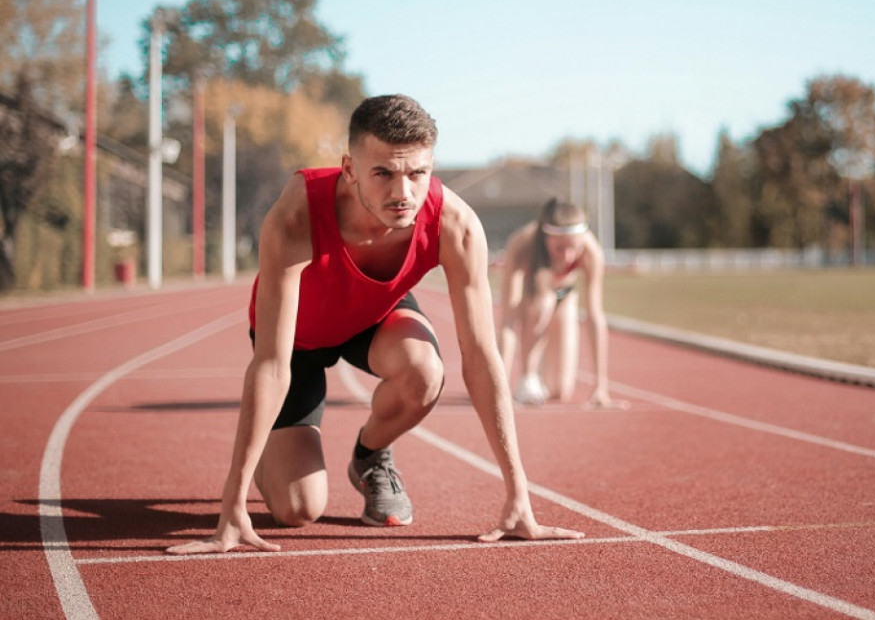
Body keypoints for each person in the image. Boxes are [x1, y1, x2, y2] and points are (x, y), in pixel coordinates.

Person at [168, 94, 582, 555]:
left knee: (426, 371)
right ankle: (269, 448)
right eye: (383, 173)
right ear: (350, 169)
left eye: (417, 173)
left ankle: (370, 456)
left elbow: (482, 358)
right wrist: (232, 505)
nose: (402, 192)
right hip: (298, 340)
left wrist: (518, 496)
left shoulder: (456, 225)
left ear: (431, 167)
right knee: (298, 510)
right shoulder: (296, 214)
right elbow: (271, 363)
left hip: (373, 319)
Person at [497, 198, 623, 409]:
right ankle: (528, 376)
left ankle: (545, 370)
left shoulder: (591, 251)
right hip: (533, 298)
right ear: (545, 240)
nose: (568, 256)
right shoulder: (522, 244)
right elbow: (508, 319)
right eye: (559, 248)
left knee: (560, 391)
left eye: (574, 248)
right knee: (543, 303)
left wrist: (600, 386)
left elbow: (595, 317)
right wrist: (498, 389)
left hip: (566, 296)